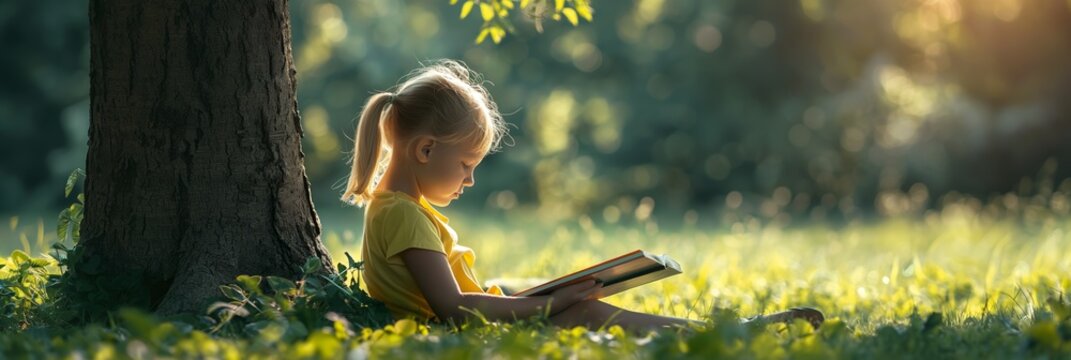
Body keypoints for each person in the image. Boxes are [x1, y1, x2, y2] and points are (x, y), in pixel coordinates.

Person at [340, 59, 823, 332]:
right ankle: (733, 332)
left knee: (534, 284)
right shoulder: (404, 216)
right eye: (466, 165)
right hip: (458, 335)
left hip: (471, 319)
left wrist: (538, 296)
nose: (469, 181)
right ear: (425, 149)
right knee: (586, 311)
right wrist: (543, 307)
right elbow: (453, 308)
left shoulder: (398, 207)